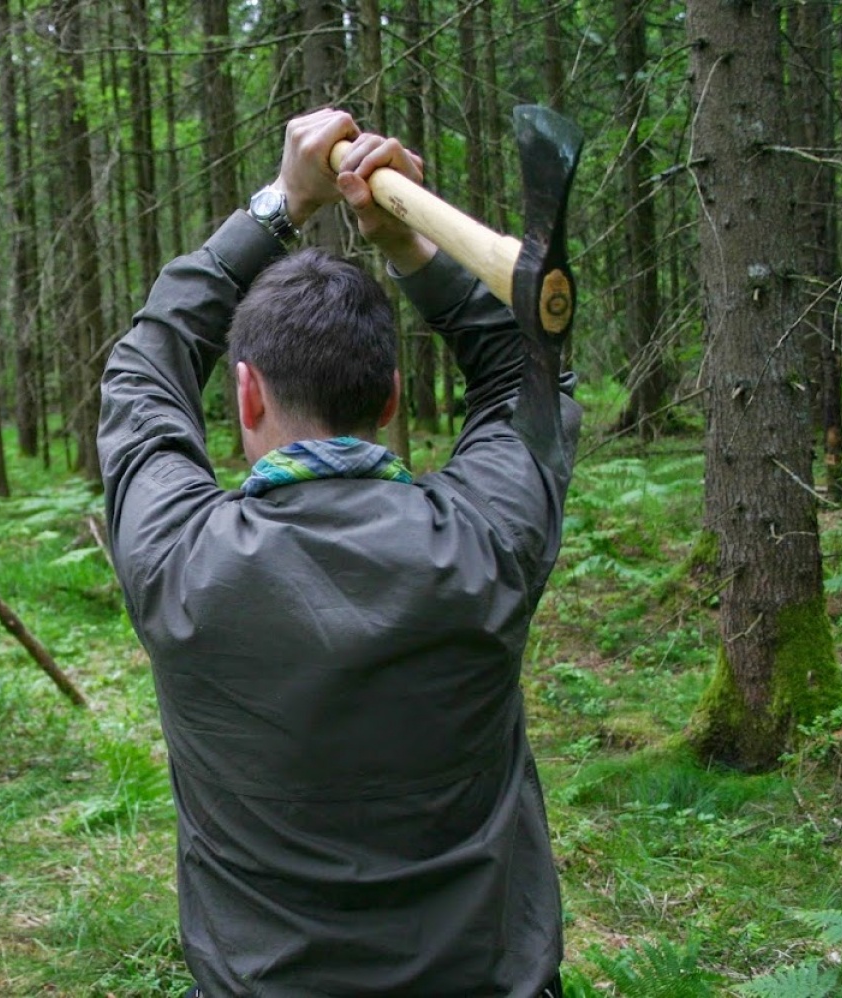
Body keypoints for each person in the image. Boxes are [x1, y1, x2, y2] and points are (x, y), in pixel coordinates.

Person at [97, 108, 581, 997]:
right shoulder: (481, 543)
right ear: (392, 395)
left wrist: (284, 203)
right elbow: (526, 370)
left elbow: (146, 362)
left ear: (246, 396)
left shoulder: (178, 558)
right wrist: (409, 248)